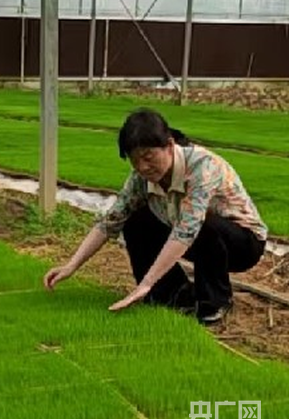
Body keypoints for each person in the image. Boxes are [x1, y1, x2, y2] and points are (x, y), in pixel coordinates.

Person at [43, 107, 267, 325]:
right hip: (191, 236)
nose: (143, 167)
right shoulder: (140, 178)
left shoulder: (202, 167)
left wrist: (146, 282)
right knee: (135, 220)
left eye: (148, 157)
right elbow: (111, 221)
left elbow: (187, 231)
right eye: (135, 161)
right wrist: (71, 266)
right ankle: (171, 295)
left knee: (202, 225)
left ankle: (215, 302)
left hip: (243, 244)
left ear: (169, 145)